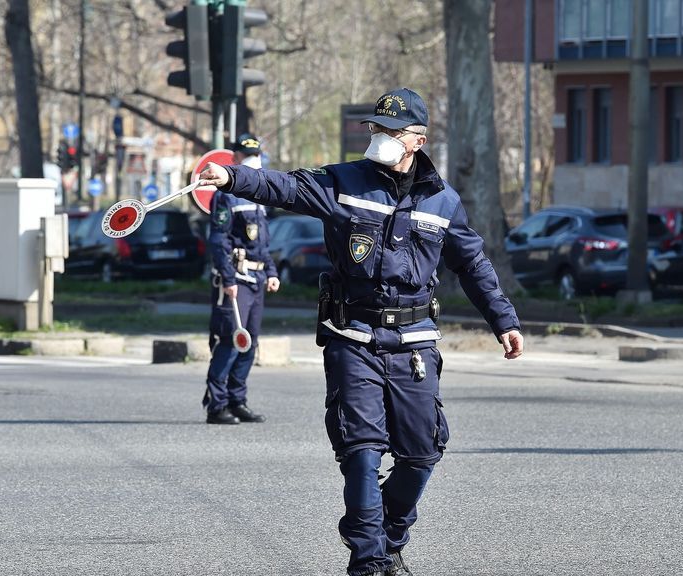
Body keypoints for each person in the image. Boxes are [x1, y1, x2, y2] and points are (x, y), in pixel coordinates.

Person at [200, 88, 524, 576]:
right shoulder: (343, 182)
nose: (379, 139)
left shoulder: (443, 200)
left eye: (391, 132)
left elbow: (473, 264)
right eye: (375, 129)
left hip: (414, 344)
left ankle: (390, 538)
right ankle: (368, 561)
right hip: (353, 338)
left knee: (421, 453)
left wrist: (504, 321)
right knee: (361, 451)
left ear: (417, 139)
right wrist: (230, 175)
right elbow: (283, 187)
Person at [202, 134, 280, 425]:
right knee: (230, 342)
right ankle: (217, 404)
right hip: (236, 279)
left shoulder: (259, 196)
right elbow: (219, 240)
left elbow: (262, 243)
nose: (251, 159)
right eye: (245, 155)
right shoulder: (226, 195)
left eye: (255, 154)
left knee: (250, 343)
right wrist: (228, 277)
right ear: (233, 158)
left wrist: (271, 272)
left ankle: (238, 401)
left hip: (257, 278)